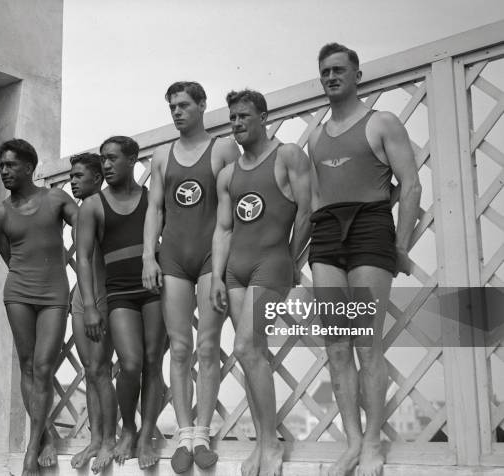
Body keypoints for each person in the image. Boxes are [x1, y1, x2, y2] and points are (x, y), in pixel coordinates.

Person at [307, 43, 421, 476]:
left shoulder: (382, 122)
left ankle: (374, 441)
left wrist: (402, 245)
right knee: (337, 345)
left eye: (339, 70)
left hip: (371, 227)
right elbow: (316, 198)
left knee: (366, 343)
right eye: (325, 72)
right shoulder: (316, 136)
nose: (331, 77)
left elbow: (410, 186)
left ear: (357, 74)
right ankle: (352, 442)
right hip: (327, 233)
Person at [211, 89, 312, 476]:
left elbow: (306, 211)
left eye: (243, 116)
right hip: (235, 269)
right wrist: (218, 275)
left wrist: (292, 256)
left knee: (246, 345)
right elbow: (223, 228)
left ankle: (271, 445)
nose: (236, 123)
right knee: (249, 353)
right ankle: (261, 440)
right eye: (232, 117)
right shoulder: (228, 174)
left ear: (263, 117)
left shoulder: (287, 155)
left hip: (271, 262)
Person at [142, 81, 240, 473]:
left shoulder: (222, 149)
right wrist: (150, 256)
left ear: (202, 106)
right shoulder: (161, 155)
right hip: (174, 259)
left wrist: (219, 270)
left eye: (184, 105)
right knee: (179, 348)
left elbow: (228, 212)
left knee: (208, 345)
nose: (177, 112)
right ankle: (184, 434)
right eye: (172, 107)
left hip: (209, 258)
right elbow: (154, 210)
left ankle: (203, 432)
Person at [76, 136, 167, 471]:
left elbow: (168, 239)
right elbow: (83, 258)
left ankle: (145, 436)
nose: (106, 165)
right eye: (103, 159)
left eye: (113, 158)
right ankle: (128, 430)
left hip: (154, 288)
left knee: (154, 361)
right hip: (118, 293)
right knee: (130, 363)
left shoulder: (151, 198)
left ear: (132, 159)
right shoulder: (94, 206)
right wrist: (89, 305)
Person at [0, 138, 77, 476]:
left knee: (43, 366)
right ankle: (42, 441)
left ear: (29, 167)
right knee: (27, 365)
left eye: (10, 165)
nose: (5, 171)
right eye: (1, 166)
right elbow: (9, 257)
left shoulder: (55, 198)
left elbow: (86, 225)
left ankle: (34, 444)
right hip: (19, 293)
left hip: (54, 292)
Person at [67, 153, 118, 473]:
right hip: (81, 295)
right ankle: (95, 438)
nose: (72, 180)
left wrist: (91, 307)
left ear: (97, 178)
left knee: (101, 369)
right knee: (89, 369)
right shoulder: (82, 209)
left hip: (100, 297)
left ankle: (108, 440)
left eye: (79, 175)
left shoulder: (101, 206)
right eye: (71, 175)